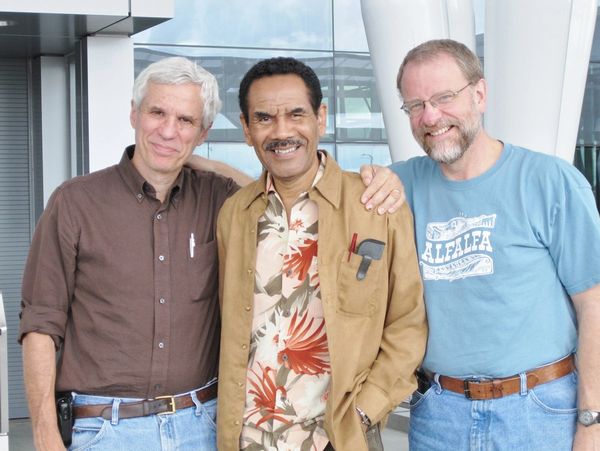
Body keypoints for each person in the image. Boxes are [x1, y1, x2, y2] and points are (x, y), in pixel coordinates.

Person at [19, 56, 406, 451]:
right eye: (157, 113)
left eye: (185, 121)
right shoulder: (75, 203)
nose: (169, 130)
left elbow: (279, 187)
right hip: (106, 429)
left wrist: (372, 179)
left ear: (203, 132)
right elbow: (40, 324)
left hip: (202, 426)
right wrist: (45, 434)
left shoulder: (220, 200)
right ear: (134, 113)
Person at [389, 38, 600, 450]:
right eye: (415, 106)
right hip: (437, 415)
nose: (430, 116)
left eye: (444, 97)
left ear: (480, 94)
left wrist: (591, 422)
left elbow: (594, 304)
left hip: (540, 411)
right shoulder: (398, 185)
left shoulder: (549, 181)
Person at [216, 56, 428, 451]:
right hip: (246, 438)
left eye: (296, 114)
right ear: (246, 129)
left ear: (321, 118)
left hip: (336, 439)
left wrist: (362, 414)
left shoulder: (376, 205)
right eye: (263, 118)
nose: (282, 132)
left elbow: (407, 325)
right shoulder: (235, 214)